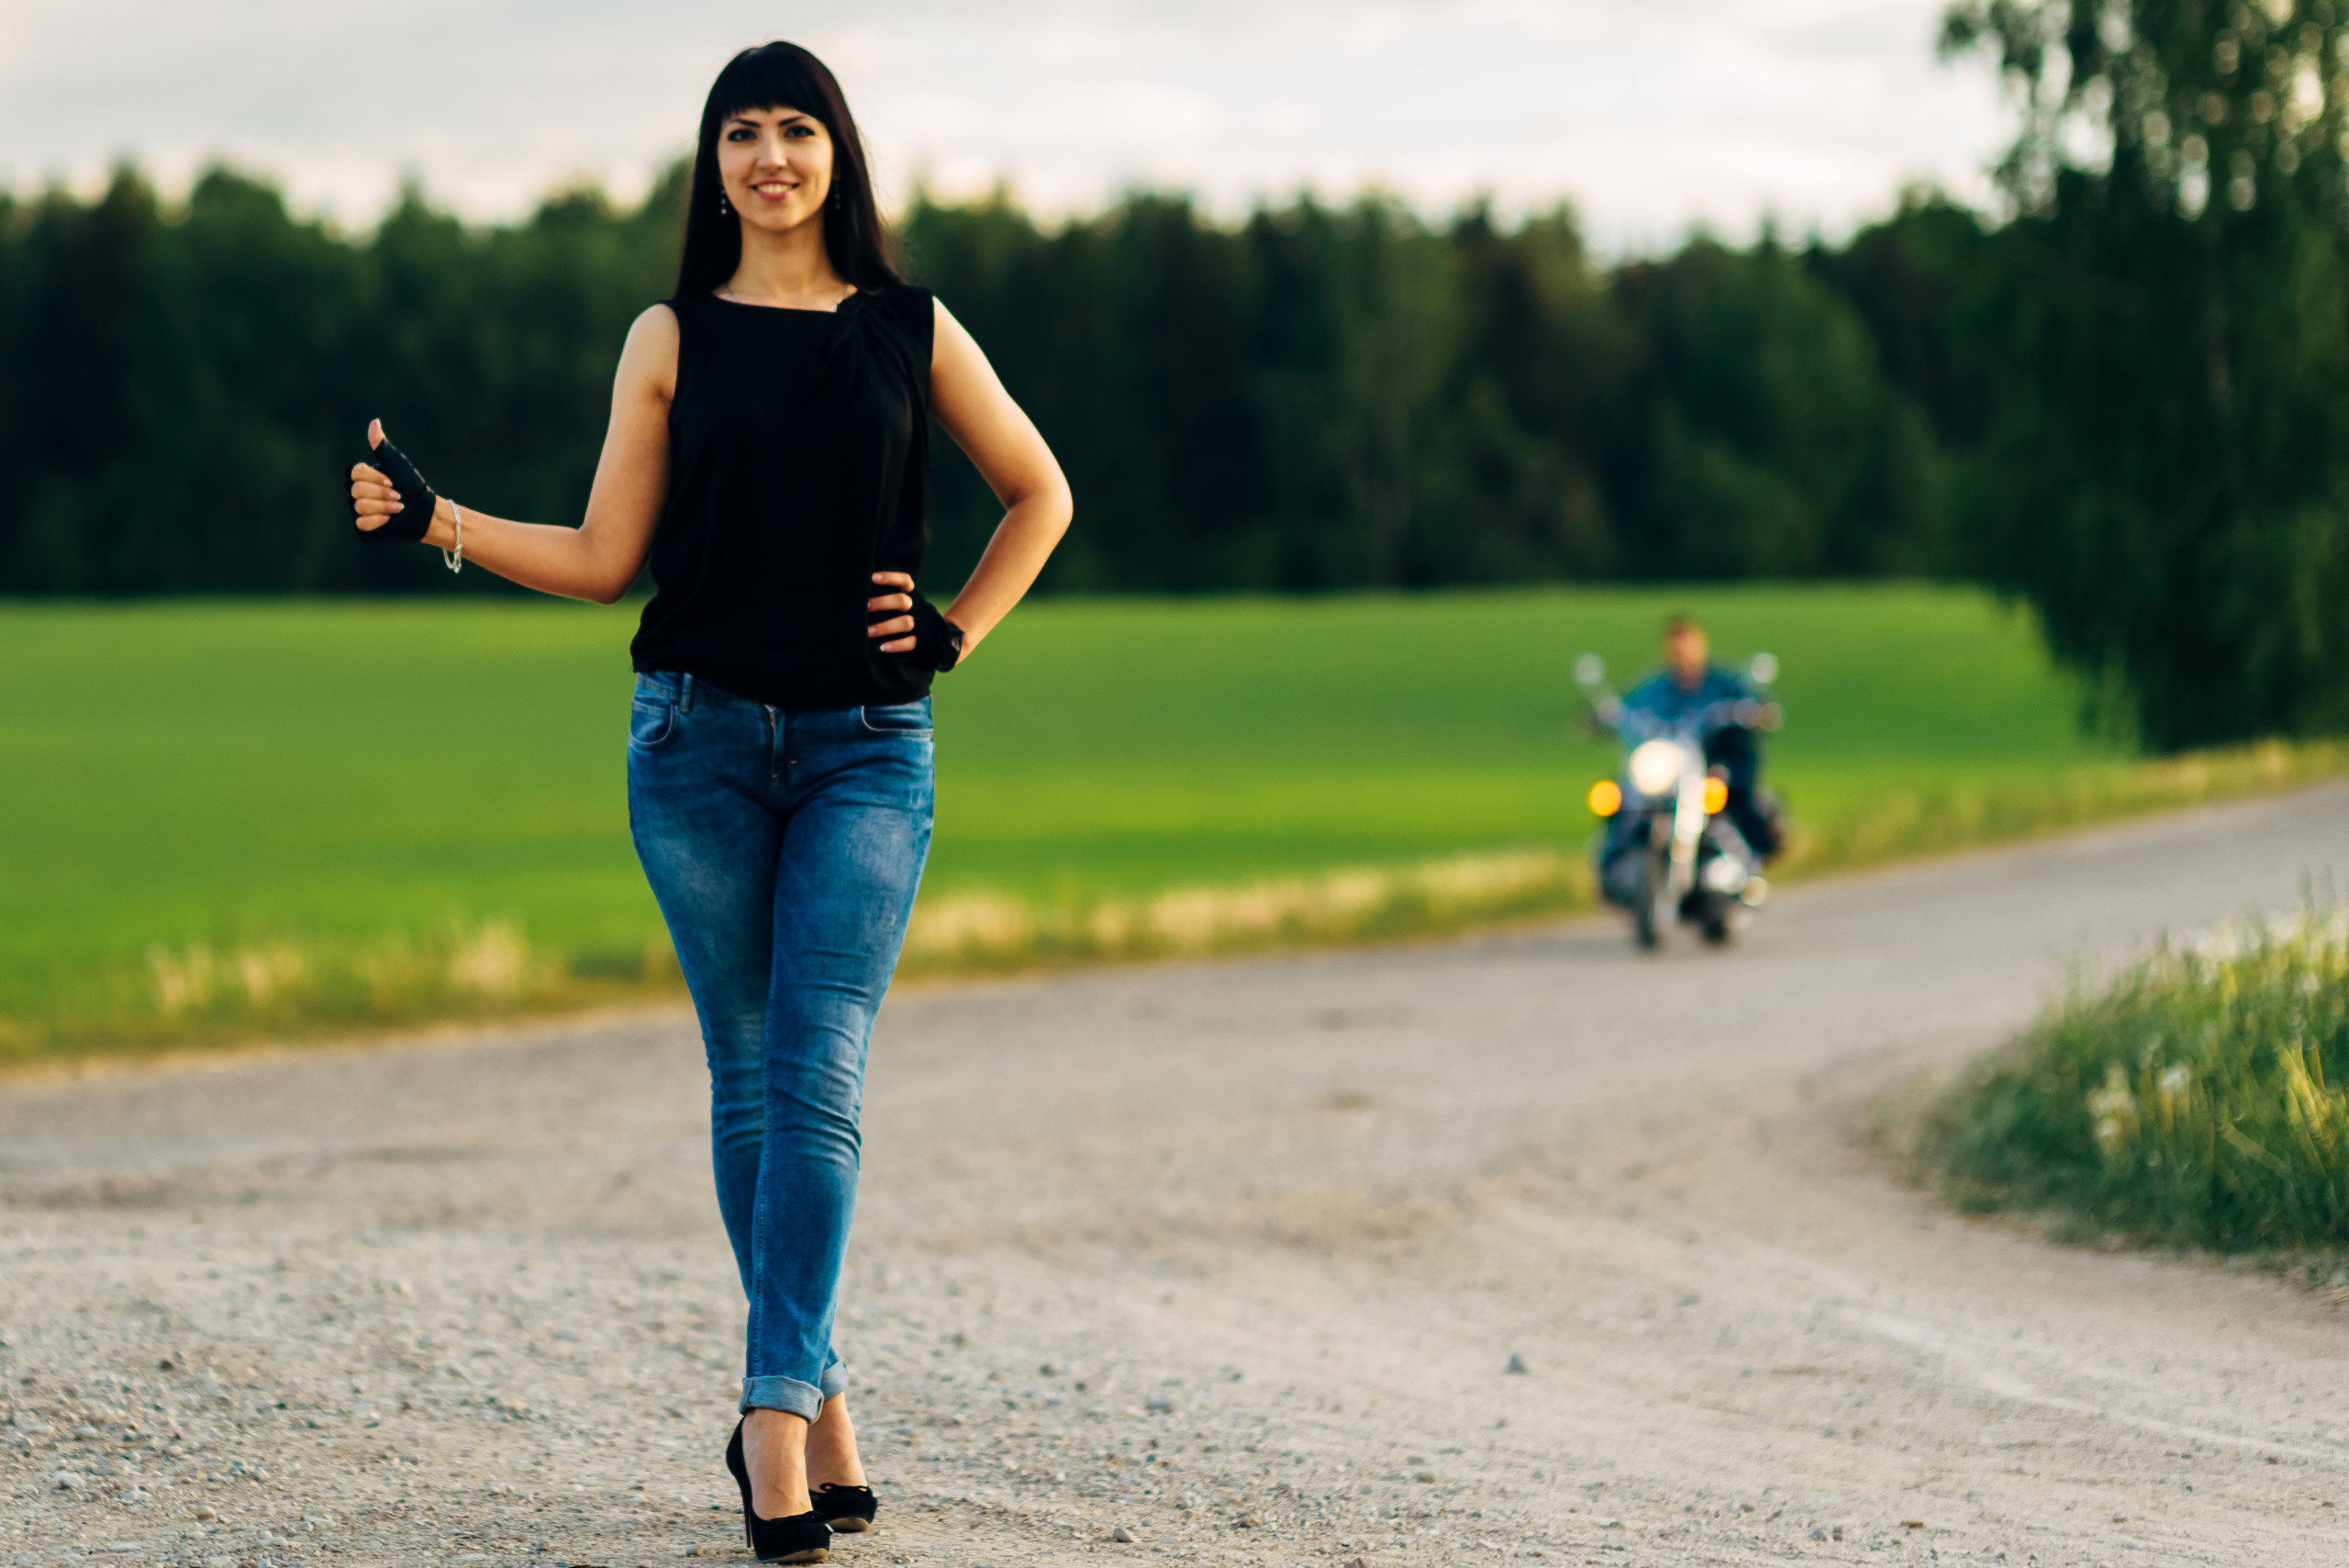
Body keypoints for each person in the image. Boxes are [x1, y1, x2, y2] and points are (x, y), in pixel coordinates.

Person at [345, 41, 1072, 1565]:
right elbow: (611, 554)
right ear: (714, 163)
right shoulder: (668, 335)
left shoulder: (907, 326)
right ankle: (824, 1395)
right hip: (697, 743)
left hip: (873, 744)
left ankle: (766, 1418)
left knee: (816, 1074)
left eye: (796, 128)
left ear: (837, 153)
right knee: (752, 1082)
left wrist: (955, 627)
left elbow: (1040, 490)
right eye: (741, 131)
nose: (770, 156)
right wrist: (438, 520)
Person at [1601, 615, 1782, 880]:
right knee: (1618, 797)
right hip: (1669, 765)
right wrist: (1604, 715)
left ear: (1701, 645)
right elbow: (1627, 708)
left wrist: (1755, 712)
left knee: (1734, 788)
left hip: (1709, 758)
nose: (1681, 653)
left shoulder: (1721, 682)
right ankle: (1614, 860)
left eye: (1687, 645)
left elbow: (1752, 703)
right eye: (1675, 647)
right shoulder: (1656, 687)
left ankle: (1753, 854)